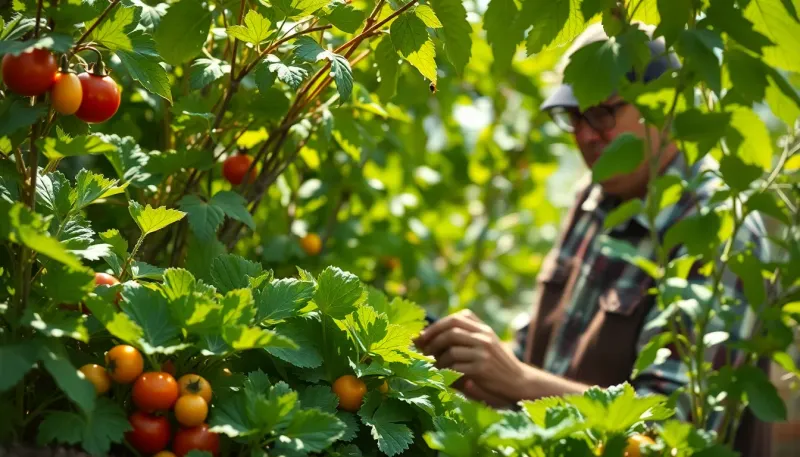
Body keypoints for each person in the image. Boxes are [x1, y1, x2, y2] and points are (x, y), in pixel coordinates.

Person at [413, 23, 771, 456]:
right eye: (575, 116)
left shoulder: (718, 229)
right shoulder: (594, 197)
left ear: (663, 107)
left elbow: (669, 433)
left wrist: (520, 381)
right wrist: (472, 366)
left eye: (602, 112)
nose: (584, 134)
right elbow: (537, 358)